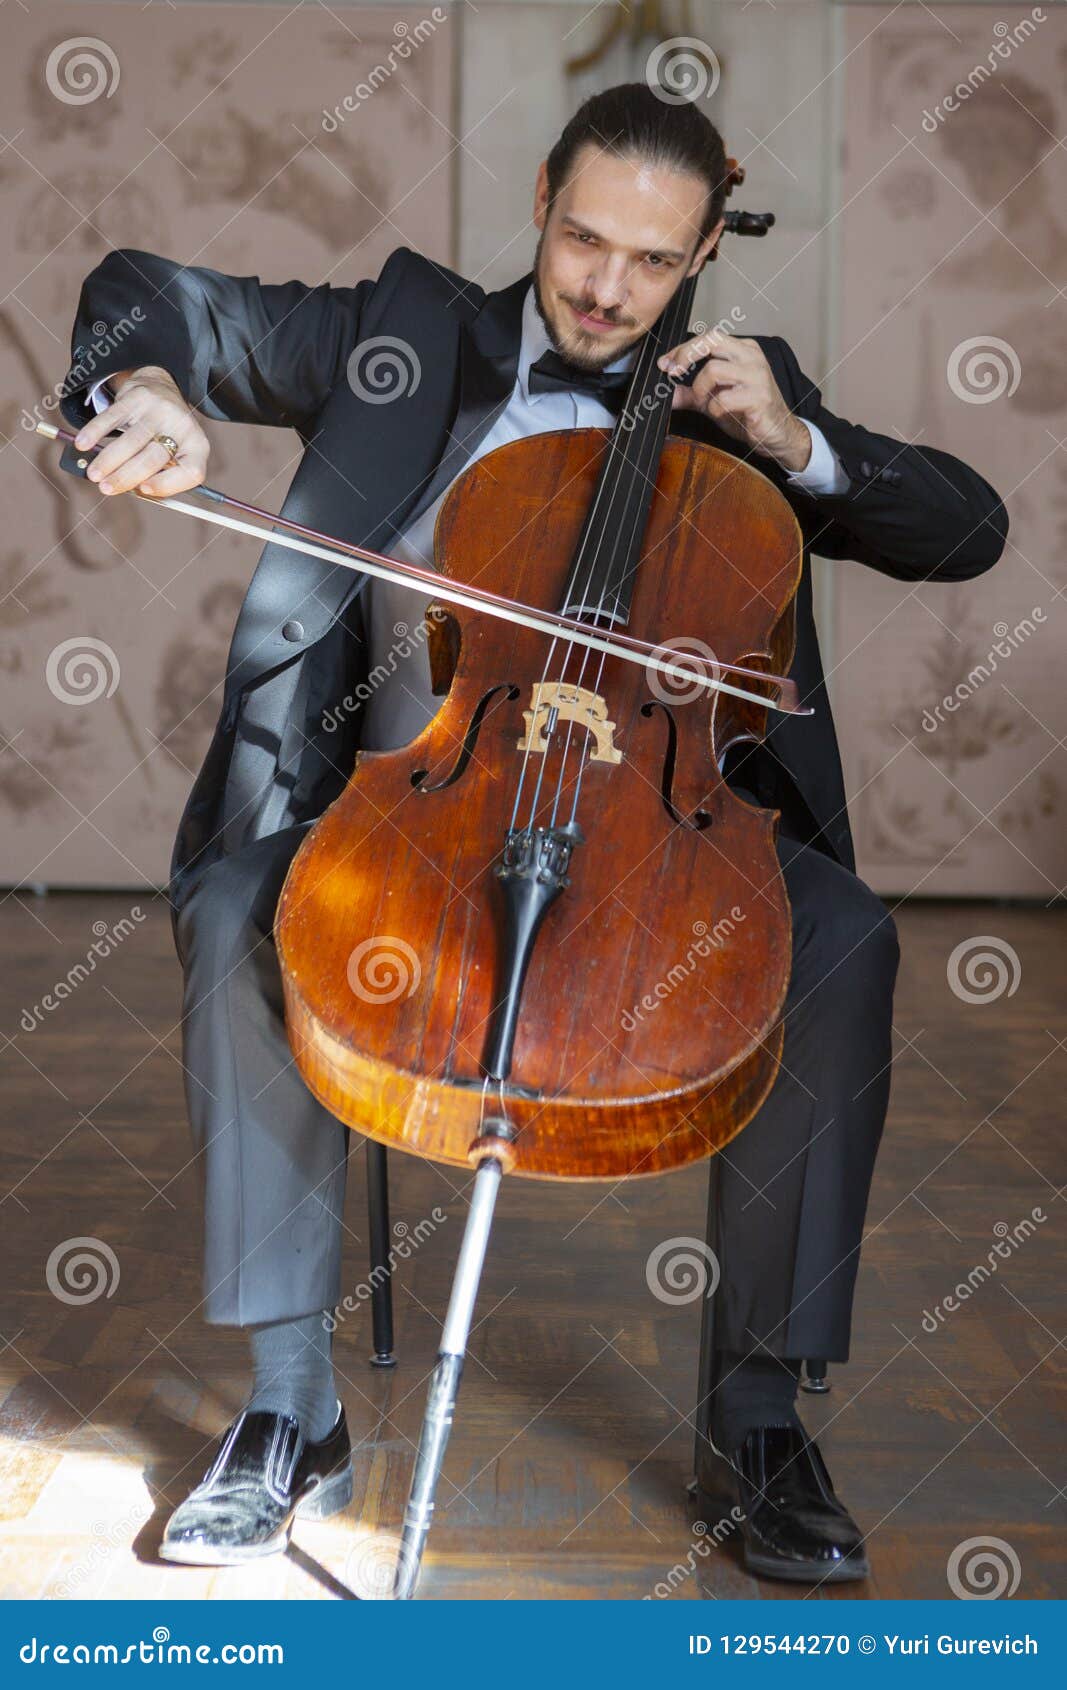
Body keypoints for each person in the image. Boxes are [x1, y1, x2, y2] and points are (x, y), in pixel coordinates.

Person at [60, 83, 1007, 1584]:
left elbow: (969, 528)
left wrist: (802, 441)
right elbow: (142, 295)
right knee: (243, 906)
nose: (608, 288)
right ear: (544, 196)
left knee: (841, 944)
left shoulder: (737, 403)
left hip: (655, 835)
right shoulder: (401, 333)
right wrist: (148, 389)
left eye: (653, 259)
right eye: (583, 239)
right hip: (403, 819)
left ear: (704, 252)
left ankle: (758, 1417)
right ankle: (292, 1410)